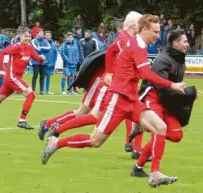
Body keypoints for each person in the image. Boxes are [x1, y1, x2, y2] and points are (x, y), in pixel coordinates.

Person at [41, 14, 185, 188]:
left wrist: (110, 72)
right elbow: (147, 74)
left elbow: (111, 51)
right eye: (155, 31)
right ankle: (57, 142)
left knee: (160, 127)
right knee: (96, 141)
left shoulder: (137, 44)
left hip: (131, 100)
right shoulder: (137, 46)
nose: (158, 35)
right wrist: (173, 85)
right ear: (144, 29)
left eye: (159, 31)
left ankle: (154, 173)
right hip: (117, 100)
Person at [39, 11, 145, 156]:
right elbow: (107, 56)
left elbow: (110, 54)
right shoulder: (124, 41)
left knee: (135, 116)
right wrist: (109, 73)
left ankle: (134, 147)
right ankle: (54, 128)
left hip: (115, 85)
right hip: (107, 84)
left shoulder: (125, 40)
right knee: (87, 115)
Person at [130, 30, 193, 180]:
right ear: (175, 43)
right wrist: (187, 94)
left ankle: (138, 167)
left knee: (176, 135)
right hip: (153, 97)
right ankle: (155, 173)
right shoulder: (162, 60)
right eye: (184, 41)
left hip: (165, 101)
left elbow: (173, 89)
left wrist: (186, 95)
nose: (187, 44)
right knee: (159, 131)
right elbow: (163, 87)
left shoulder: (179, 60)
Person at [0, 27, 45, 130]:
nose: (28, 38)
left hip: (13, 79)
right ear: (20, 36)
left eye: (29, 36)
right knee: (31, 94)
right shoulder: (16, 47)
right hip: (12, 77)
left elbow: (37, 59)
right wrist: (1, 69)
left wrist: (41, 59)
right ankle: (22, 120)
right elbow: (1, 53)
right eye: (25, 36)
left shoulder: (29, 48)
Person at [30, 29, 50, 94]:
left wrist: (41, 48)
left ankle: (41, 90)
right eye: (40, 33)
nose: (42, 34)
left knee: (42, 76)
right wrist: (42, 50)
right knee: (35, 75)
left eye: (42, 33)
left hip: (43, 61)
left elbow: (48, 48)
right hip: (35, 61)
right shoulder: (33, 41)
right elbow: (36, 49)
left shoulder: (45, 41)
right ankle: (33, 90)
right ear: (37, 34)